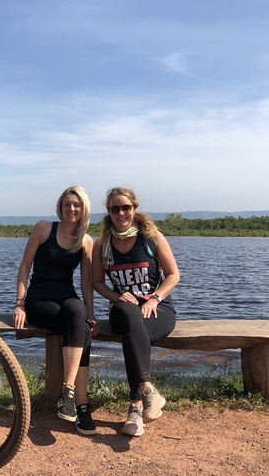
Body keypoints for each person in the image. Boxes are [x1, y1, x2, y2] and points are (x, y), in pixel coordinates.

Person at [92, 187, 180, 437]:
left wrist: (154, 298)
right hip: (121, 310)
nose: (121, 212)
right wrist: (117, 295)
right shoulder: (101, 245)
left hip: (158, 310)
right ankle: (149, 391)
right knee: (130, 315)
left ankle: (135, 408)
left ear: (134, 209)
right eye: (115, 208)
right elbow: (97, 282)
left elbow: (174, 275)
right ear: (108, 213)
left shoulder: (151, 237)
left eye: (125, 207)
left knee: (134, 336)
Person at [13, 185, 98, 436]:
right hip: (39, 300)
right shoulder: (43, 228)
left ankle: (68, 392)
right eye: (67, 204)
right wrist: (20, 303)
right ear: (60, 207)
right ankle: (81, 406)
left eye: (77, 205)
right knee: (81, 329)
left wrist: (91, 314)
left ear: (84, 209)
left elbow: (85, 283)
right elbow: (24, 267)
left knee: (79, 316)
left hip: (66, 297)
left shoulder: (85, 241)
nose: (72, 209)